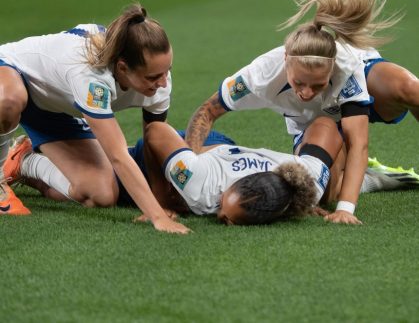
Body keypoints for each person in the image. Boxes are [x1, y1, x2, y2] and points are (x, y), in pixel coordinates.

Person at [184, 0, 413, 225]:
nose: (306, 92)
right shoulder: (259, 75)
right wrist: (191, 164)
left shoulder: (347, 69)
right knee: (322, 195)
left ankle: (351, 171)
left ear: (332, 69)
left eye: (318, 85)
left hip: (365, 91)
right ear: (286, 61)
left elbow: (358, 141)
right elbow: (207, 111)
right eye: (299, 83)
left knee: (411, 89)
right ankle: (373, 178)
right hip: (314, 126)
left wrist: (347, 209)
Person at [0, 3, 189, 234]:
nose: (163, 82)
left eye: (167, 71)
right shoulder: (90, 75)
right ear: (122, 68)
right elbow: (117, 155)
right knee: (7, 100)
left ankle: (23, 162)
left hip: (57, 106)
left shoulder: (159, 83)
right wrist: (157, 217)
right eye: (153, 77)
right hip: (10, 72)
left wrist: (161, 202)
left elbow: (154, 140)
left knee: (101, 194)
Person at [5, 120, 418, 224]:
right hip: (181, 152)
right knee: (98, 193)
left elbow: (329, 126)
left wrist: (320, 194)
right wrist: (161, 204)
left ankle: (373, 178)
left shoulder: (300, 178)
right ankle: (24, 159)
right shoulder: (201, 188)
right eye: (224, 209)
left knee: (329, 191)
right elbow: (155, 133)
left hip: (220, 154)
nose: (219, 215)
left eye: (226, 219)